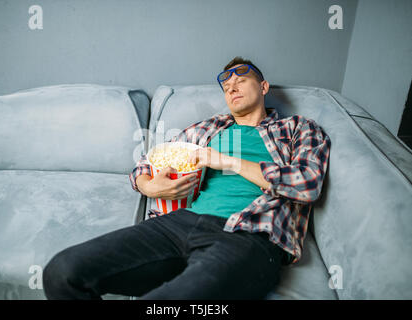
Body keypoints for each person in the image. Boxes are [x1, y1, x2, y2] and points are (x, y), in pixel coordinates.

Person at [43, 56, 331, 300]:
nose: (231, 86)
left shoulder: (297, 129)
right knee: (62, 272)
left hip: (249, 234)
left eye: (240, 78)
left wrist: (225, 161)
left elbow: (306, 183)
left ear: (264, 86)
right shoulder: (207, 130)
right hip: (178, 225)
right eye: (226, 85)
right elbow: (146, 164)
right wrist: (149, 184)